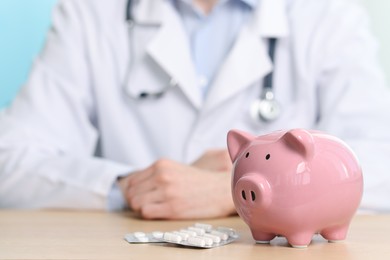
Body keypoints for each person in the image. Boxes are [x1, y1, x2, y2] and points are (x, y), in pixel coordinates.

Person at [0, 0, 390, 219]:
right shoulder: (92, 13)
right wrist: (136, 186)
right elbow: (9, 159)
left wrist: (235, 191)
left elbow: (380, 162)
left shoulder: (327, 14)